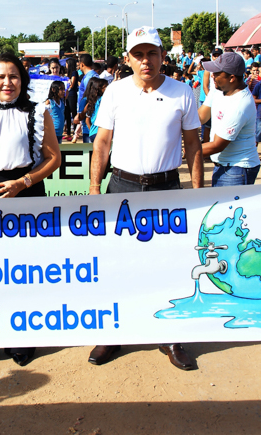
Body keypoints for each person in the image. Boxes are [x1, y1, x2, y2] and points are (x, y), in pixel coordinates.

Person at [88, 27, 202, 369]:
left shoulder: (183, 93)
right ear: (128, 59)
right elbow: (102, 142)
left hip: (166, 189)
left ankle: (170, 336)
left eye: (152, 53)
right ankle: (113, 333)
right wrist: (94, 188)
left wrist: (198, 193)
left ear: (162, 55)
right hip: (122, 187)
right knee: (117, 263)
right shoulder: (115, 91)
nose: (145, 60)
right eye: (138, 54)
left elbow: (193, 144)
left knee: (169, 263)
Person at [0, 53, 61, 367]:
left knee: (23, 271)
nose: (8, 82)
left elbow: (54, 158)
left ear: (23, 79)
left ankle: (21, 336)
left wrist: (22, 182)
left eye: (14, 76)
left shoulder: (38, 111)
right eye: (1, 77)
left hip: (26, 194)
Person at [198, 52, 260, 186]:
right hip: (223, 165)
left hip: (237, 168)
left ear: (231, 78)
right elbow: (201, 116)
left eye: (216, 73)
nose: (212, 75)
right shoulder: (218, 90)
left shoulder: (240, 104)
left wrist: (184, 151)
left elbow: (217, 145)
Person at [76, 54, 98, 143]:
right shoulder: (93, 75)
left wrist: (81, 112)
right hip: (88, 114)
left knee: (88, 143)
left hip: (88, 114)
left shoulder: (89, 78)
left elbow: (89, 97)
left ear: (82, 64)